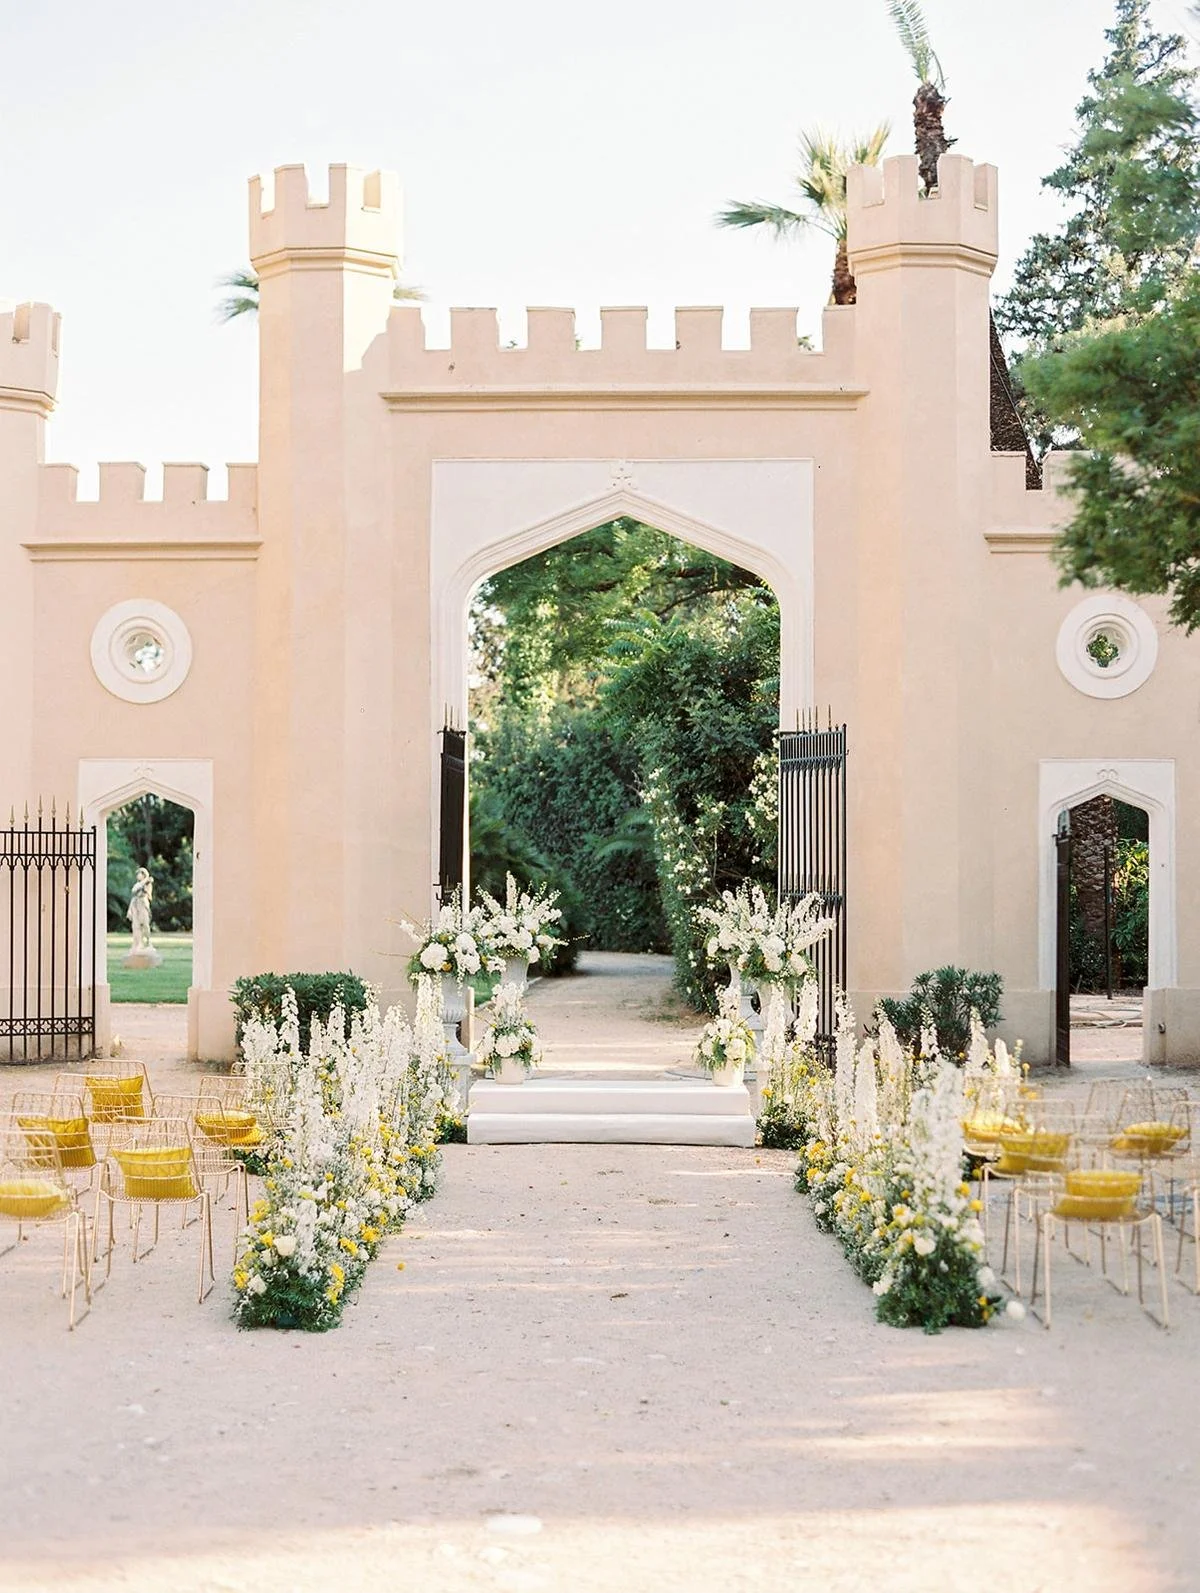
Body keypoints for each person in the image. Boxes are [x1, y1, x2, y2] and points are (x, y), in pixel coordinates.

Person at [127, 867, 154, 952]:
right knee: (136, 925)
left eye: (139, 874)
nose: (137, 876)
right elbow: (134, 890)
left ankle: (148, 942)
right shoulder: (139, 884)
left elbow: (148, 894)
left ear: (143, 875)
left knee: (145, 924)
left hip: (143, 904)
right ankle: (138, 944)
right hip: (136, 905)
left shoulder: (148, 884)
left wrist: (146, 882)